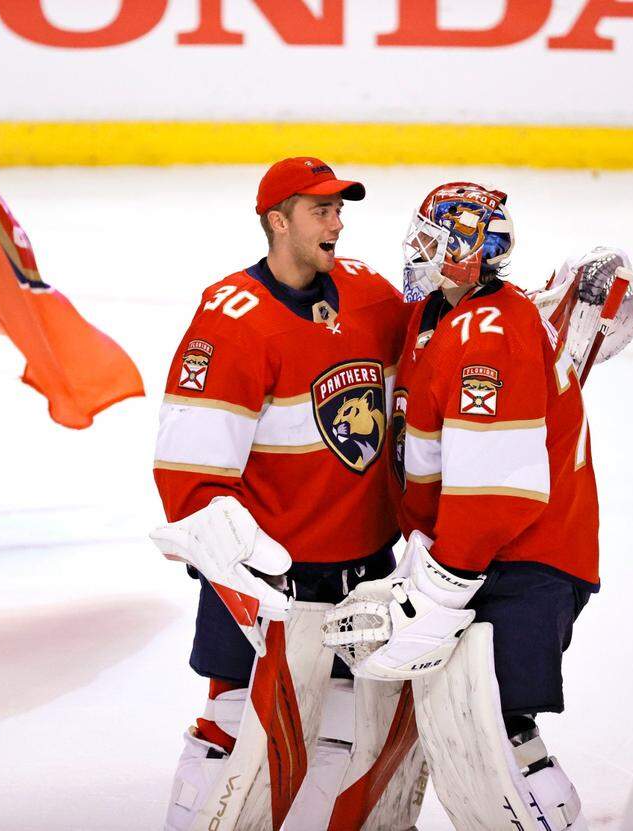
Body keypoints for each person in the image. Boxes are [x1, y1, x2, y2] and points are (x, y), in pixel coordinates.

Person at [324, 182, 633, 830]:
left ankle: (550, 816)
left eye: (432, 241)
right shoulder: (438, 315)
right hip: (478, 552)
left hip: (527, 557)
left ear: (467, 249)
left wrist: (440, 584)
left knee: (501, 728)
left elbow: (499, 493)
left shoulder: (494, 330)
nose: (416, 250)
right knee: (466, 724)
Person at [149, 157, 420, 831]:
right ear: (278, 221)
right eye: (320, 210)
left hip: (364, 573)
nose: (337, 222)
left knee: (344, 738)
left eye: (339, 209)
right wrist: (230, 561)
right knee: (232, 728)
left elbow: (434, 349)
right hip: (271, 575)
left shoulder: (369, 293)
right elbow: (190, 463)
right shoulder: (234, 317)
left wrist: (513, 320)